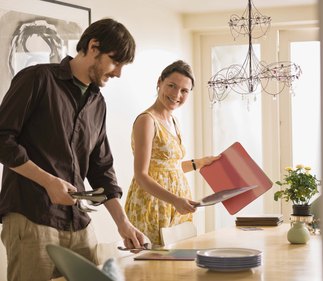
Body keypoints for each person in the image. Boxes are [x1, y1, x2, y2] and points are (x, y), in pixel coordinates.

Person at [0, 18, 145, 281]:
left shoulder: (97, 103)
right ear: (93, 46)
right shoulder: (37, 79)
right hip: (31, 215)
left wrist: (122, 222)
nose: (118, 73)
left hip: (77, 221)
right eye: (115, 62)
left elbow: (102, 169)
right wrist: (48, 182)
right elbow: (2, 139)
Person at [125, 60, 220, 245]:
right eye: (172, 86)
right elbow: (141, 175)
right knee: (152, 268)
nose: (177, 95)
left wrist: (199, 163)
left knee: (178, 263)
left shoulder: (173, 121)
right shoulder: (147, 120)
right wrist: (175, 200)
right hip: (152, 205)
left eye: (184, 91)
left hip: (176, 205)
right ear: (159, 82)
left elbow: (167, 168)